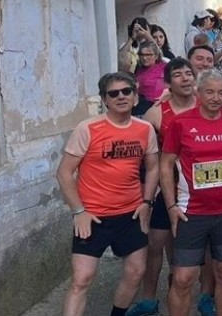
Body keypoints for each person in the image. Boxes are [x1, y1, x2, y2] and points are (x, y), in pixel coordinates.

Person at [57, 72, 159, 316]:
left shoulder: (145, 128)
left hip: (131, 213)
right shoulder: (88, 128)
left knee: (136, 272)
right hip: (93, 216)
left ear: (135, 96)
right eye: (114, 93)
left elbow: (154, 166)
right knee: (81, 279)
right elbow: (64, 173)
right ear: (105, 99)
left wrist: (147, 202)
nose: (121, 97)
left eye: (127, 91)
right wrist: (78, 211)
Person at [160, 69, 222, 316]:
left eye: (221, 92)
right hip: (191, 212)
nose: (215, 97)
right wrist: (170, 206)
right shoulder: (180, 123)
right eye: (210, 92)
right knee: (182, 278)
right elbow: (165, 164)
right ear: (198, 92)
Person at [128, 60, 199, 316]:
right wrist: (147, 189)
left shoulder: (206, 106)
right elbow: (144, 155)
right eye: (177, 75)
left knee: (190, 246)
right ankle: (148, 299)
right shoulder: (157, 113)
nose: (184, 79)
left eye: (189, 74)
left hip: (197, 189)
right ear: (168, 82)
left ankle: (191, 294)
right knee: (155, 244)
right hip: (164, 188)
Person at [134, 42, 168, 117]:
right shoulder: (139, 69)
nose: (144, 58)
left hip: (161, 108)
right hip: (142, 108)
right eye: (141, 55)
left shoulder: (165, 68)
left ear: (156, 56)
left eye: (148, 55)